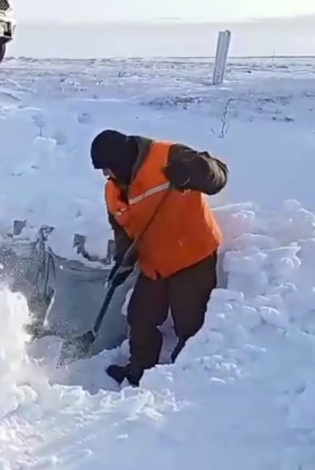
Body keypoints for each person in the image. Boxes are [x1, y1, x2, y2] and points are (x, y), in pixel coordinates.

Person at [90, 129, 228, 387]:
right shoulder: (112, 191)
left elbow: (218, 174)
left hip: (192, 255)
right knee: (140, 317)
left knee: (189, 323)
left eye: (107, 168)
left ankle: (182, 381)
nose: (105, 175)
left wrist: (194, 171)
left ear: (121, 160)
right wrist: (124, 260)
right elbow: (123, 231)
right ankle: (139, 372)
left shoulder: (168, 157)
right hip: (155, 264)